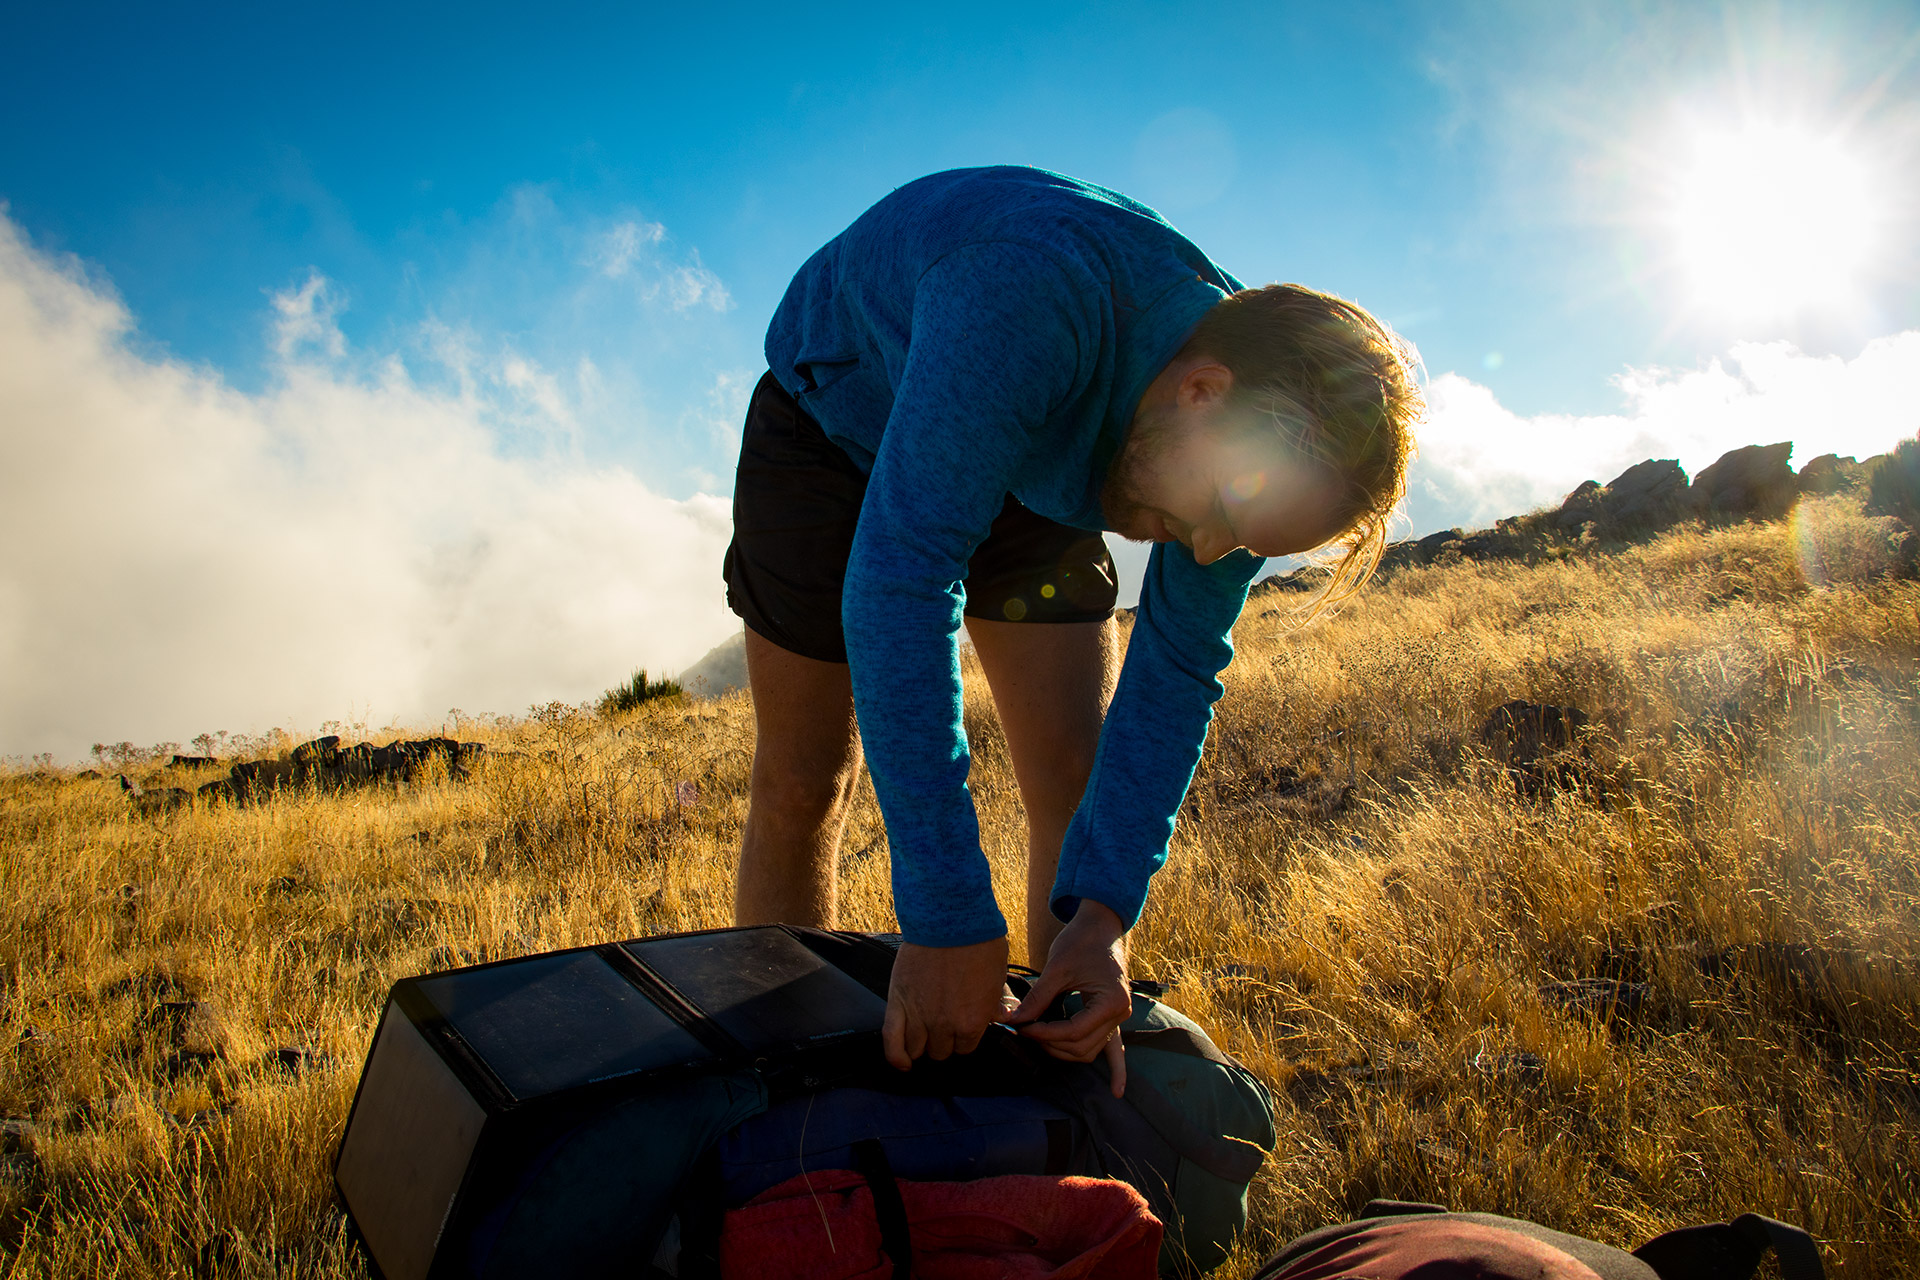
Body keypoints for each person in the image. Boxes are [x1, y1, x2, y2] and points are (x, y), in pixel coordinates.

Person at [722, 166, 1419, 1089]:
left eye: (1248, 545)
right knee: (806, 777)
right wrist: (946, 916)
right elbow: (901, 580)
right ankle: (775, 1088)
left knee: (1072, 774)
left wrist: (1104, 919)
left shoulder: (1249, 460)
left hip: (1056, 436)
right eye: (1223, 514)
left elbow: (1177, 670)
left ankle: (1056, 1071)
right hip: (835, 420)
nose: (1212, 553)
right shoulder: (1025, 297)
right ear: (1201, 390)